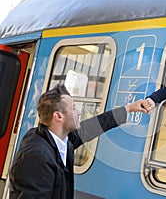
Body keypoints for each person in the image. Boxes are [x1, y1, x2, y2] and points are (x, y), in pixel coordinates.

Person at [9, 83, 147, 199]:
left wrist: (129, 109)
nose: (79, 112)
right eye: (73, 108)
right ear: (58, 116)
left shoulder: (62, 138)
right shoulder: (37, 157)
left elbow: (94, 126)